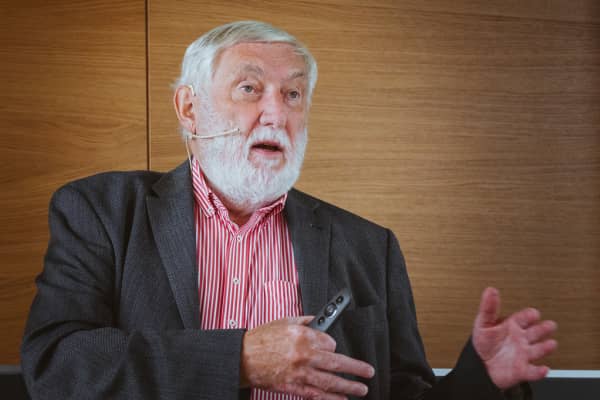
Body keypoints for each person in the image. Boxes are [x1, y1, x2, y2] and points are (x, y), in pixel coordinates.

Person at [21, 21, 557, 400]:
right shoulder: (100, 212)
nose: (276, 113)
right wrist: (242, 359)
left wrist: (479, 379)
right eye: (250, 88)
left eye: (294, 94)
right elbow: (58, 366)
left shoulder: (369, 246)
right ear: (189, 108)